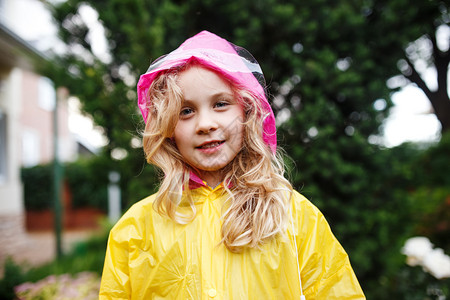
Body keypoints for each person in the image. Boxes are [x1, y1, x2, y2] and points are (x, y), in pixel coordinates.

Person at [99, 30, 365, 299]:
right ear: (168, 127)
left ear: (247, 111)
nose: (206, 124)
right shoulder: (136, 229)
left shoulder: (293, 215)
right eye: (186, 111)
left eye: (221, 104)